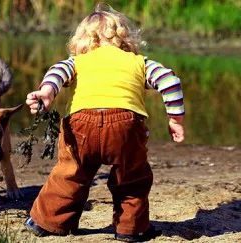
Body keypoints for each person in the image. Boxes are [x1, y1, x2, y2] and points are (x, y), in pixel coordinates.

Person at [24, 3, 185, 242]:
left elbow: (58, 71)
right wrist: (175, 120)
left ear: (83, 41)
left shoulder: (78, 61)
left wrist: (47, 92)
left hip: (81, 125)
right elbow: (170, 82)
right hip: (126, 126)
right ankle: (132, 229)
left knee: (70, 174)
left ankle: (48, 223)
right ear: (124, 39)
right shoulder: (139, 62)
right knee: (132, 178)